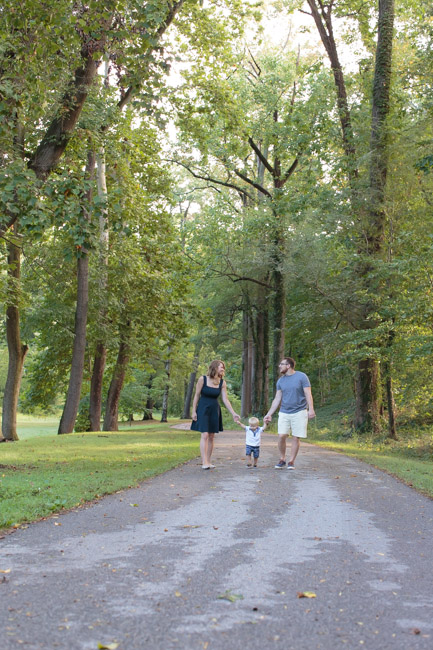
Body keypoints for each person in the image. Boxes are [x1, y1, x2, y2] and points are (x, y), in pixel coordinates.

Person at [264, 356, 315, 470]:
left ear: (288, 366)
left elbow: (308, 394)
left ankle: (291, 461)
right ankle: (282, 459)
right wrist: (269, 413)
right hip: (284, 411)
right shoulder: (281, 381)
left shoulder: (302, 377)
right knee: (282, 435)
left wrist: (311, 409)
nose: (279, 366)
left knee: (296, 437)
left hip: (300, 411)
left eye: (281, 364)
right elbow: (277, 399)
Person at [191, 360, 240, 469]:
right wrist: (194, 411)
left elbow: (225, 399)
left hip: (214, 409)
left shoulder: (222, 383)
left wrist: (233, 413)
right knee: (204, 434)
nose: (223, 369)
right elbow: (196, 395)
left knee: (212, 436)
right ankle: (204, 462)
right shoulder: (202, 379)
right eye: (221, 367)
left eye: (223, 367)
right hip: (203, 409)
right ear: (214, 368)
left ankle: (208, 461)